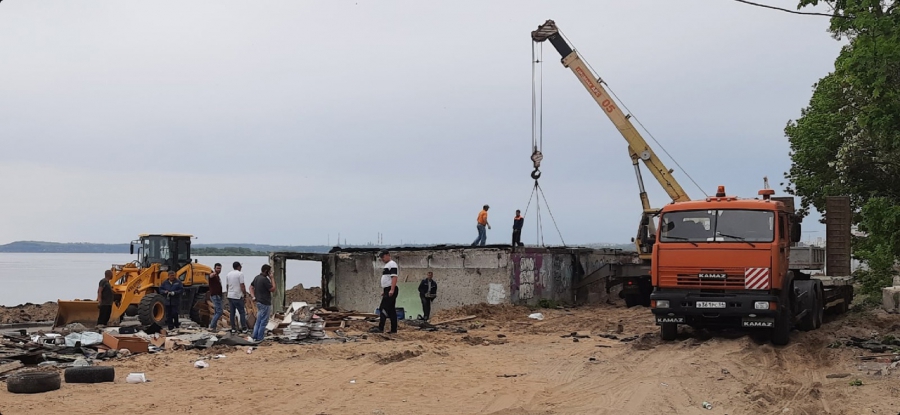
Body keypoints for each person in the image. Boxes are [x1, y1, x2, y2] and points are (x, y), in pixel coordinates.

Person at [249, 264, 276, 342]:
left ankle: (255, 336)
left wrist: (253, 296)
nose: (270, 273)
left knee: (258, 320)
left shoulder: (257, 278)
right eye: (270, 271)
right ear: (266, 271)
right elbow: (273, 289)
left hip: (259, 302)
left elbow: (251, 287)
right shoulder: (265, 280)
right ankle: (260, 337)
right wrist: (272, 278)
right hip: (265, 303)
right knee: (263, 321)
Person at [375, 250, 399, 333]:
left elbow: (394, 277)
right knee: (391, 310)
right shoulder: (387, 265)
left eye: (383, 256)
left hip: (390, 289)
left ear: (388, 255)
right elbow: (387, 279)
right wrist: (384, 290)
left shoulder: (392, 264)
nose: (382, 258)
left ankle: (380, 328)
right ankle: (393, 329)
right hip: (387, 289)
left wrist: (391, 289)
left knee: (383, 308)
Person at [226, 261, 249, 333]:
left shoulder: (228, 274)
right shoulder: (240, 274)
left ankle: (233, 328)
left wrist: (228, 293)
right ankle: (244, 328)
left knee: (232, 313)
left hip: (230, 295)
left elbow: (227, 285)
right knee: (242, 312)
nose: (241, 268)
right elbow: (242, 285)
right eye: (241, 266)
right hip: (237, 296)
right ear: (238, 267)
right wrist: (244, 294)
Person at [208, 263, 224, 330]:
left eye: (220, 268)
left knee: (216, 311)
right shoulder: (213, 275)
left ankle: (213, 326)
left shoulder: (217, 276)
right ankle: (211, 326)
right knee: (219, 312)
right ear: (214, 268)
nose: (219, 270)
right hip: (215, 295)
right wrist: (214, 273)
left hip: (218, 295)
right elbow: (210, 276)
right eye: (217, 268)